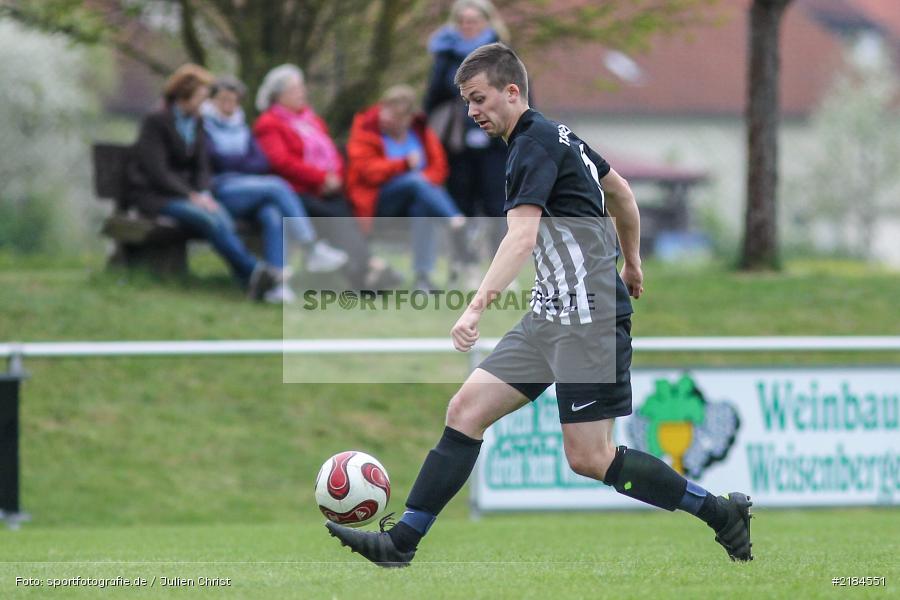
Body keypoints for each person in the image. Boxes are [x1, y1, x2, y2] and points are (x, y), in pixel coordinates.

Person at [325, 43, 753, 566]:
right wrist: (633, 263)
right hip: (550, 315)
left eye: (479, 99)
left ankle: (719, 512)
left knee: (591, 458)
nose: (472, 111)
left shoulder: (534, 145)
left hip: (589, 319)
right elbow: (620, 194)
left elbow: (521, 237)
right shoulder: (559, 136)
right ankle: (401, 543)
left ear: (512, 91)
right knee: (465, 411)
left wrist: (475, 307)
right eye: (465, 101)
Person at [125, 64, 276, 300]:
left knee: (219, 214)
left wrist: (204, 192)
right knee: (208, 219)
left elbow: (202, 166)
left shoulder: (195, 122)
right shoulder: (156, 120)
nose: (204, 103)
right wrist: (190, 196)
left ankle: (250, 279)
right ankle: (253, 272)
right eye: (201, 97)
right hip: (156, 196)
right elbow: (157, 172)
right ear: (184, 95)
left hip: (189, 194)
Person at [253, 64, 401, 289]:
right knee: (334, 216)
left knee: (343, 213)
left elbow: (332, 154)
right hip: (295, 192)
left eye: (301, 88)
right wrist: (321, 178)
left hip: (325, 189)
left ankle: (365, 272)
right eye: (296, 89)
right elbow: (281, 162)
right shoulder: (269, 123)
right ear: (279, 95)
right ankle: (366, 272)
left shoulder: (312, 120)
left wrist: (334, 179)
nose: (302, 93)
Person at [203, 75, 348, 303]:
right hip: (220, 190)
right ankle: (311, 248)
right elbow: (216, 161)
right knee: (278, 186)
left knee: (273, 213)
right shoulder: (204, 126)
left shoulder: (240, 125)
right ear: (211, 101)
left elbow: (259, 162)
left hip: (249, 189)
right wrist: (239, 162)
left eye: (233, 100)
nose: (229, 106)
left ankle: (277, 285)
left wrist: (235, 162)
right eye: (223, 100)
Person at [346, 85, 478, 291]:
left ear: (407, 118)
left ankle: (423, 278)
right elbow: (368, 171)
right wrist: (403, 165)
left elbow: (439, 168)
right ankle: (456, 221)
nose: (386, 118)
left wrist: (420, 179)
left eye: (395, 115)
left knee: (422, 205)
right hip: (378, 202)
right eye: (385, 111)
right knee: (415, 182)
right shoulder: (366, 129)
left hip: (415, 200)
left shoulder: (420, 132)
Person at [425, 0, 510, 260]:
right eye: (463, 21)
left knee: (497, 205)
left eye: (473, 21)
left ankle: (501, 265)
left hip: (494, 142)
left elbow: (518, 95)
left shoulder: (502, 55)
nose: (468, 26)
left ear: (487, 22)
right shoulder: (445, 54)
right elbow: (432, 98)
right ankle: (464, 264)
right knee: (461, 206)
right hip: (456, 142)